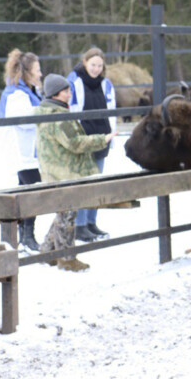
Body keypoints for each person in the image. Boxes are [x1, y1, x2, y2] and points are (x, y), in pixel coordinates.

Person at [35, 74, 115, 271]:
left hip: (57, 170)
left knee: (64, 212)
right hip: (64, 172)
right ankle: (67, 258)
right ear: (56, 94)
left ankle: (48, 251)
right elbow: (74, 142)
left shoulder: (51, 112)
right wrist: (101, 139)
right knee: (67, 212)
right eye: (66, 91)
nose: (70, 94)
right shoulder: (57, 116)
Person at [65, 47, 116, 242]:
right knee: (84, 182)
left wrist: (111, 137)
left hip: (101, 137)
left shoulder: (106, 84)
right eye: (92, 65)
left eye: (99, 65)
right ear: (85, 62)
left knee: (96, 182)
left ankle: (91, 222)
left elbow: (112, 109)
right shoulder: (74, 81)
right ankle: (80, 224)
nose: (95, 69)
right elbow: (71, 111)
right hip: (84, 139)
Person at [0, 49, 43, 252]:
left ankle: (22, 236)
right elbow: (25, 122)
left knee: (26, 193)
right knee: (31, 193)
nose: (41, 74)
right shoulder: (17, 94)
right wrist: (45, 111)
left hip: (27, 153)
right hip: (21, 153)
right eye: (37, 70)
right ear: (27, 72)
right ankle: (26, 237)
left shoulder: (27, 91)